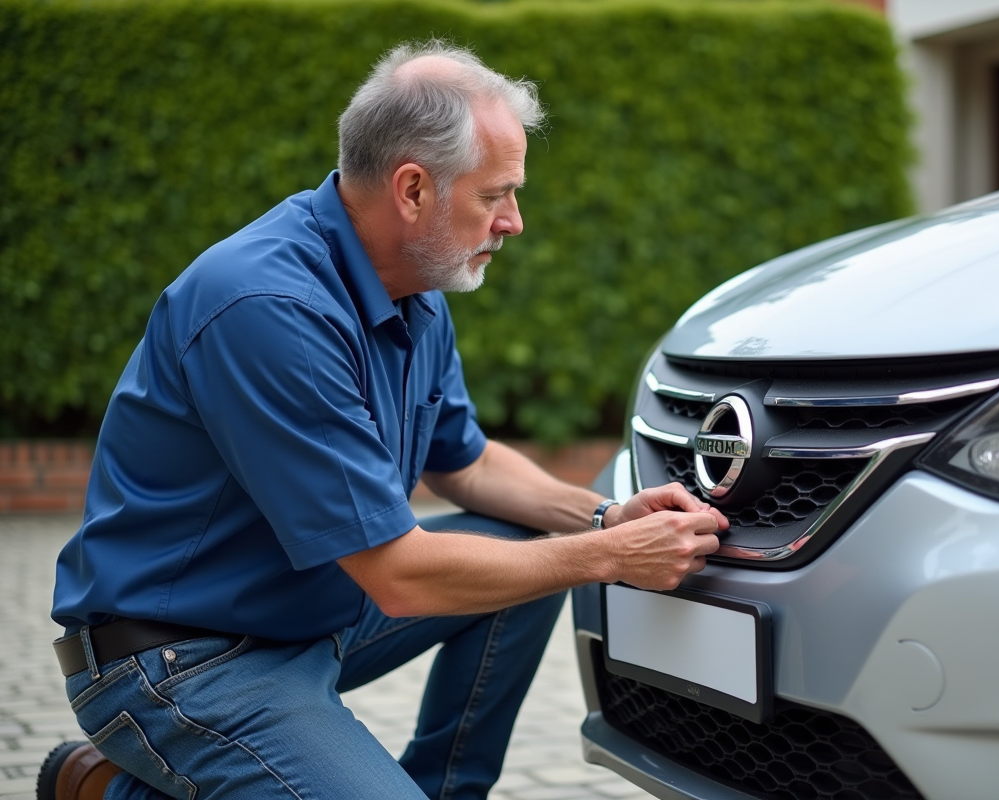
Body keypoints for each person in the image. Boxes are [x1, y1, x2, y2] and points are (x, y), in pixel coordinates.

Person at [39, 39, 726, 800]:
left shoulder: (413, 291)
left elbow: (464, 463)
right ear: (413, 191)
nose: (515, 222)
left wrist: (601, 516)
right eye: (496, 194)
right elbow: (398, 576)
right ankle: (126, 776)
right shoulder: (268, 309)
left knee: (540, 542)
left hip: (309, 614)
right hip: (181, 660)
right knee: (553, 558)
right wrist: (614, 556)